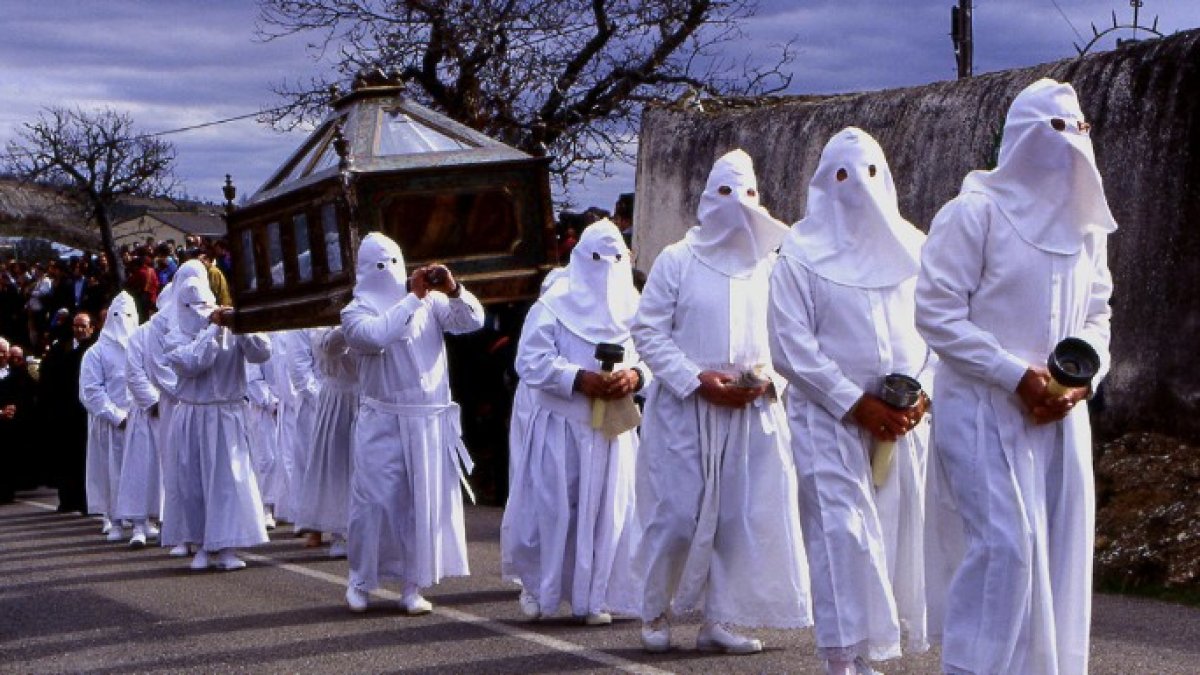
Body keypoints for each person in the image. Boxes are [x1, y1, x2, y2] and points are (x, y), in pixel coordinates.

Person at [915, 79, 1116, 675]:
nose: (1072, 142)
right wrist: (1010, 373)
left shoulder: (1087, 229)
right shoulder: (974, 212)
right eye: (1056, 129)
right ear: (1023, 137)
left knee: (1055, 555)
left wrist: (1085, 380)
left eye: (1080, 129)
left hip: (1059, 418)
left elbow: (1099, 314)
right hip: (982, 412)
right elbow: (936, 312)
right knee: (1006, 550)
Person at [632, 149, 811, 654]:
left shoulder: (772, 266)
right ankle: (655, 608)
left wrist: (769, 380)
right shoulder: (677, 260)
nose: (739, 205)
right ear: (709, 197)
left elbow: (791, 336)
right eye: (728, 193)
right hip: (688, 409)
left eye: (749, 194)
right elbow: (648, 330)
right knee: (676, 513)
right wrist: (694, 377)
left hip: (752, 412)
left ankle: (722, 618)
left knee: (739, 517)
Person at [768, 128, 934, 674]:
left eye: (867, 174)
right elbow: (791, 345)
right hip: (828, 418)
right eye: (843, 175)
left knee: (885, 536)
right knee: (841, 533)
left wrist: (921, 394)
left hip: (899, 421)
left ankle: (871, 652)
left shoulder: (914, 248)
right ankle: (840, 657)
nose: (856, 188)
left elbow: (938, 326)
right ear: (823, 183)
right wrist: (852, 401)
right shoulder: (799, 254)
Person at [501, 220, 647, 624]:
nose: (607, 269)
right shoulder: (554, 303)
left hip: (611, 429)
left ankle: (596, 596)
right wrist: (579, 379)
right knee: (552, 509)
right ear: (581, 258)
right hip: (562, 427)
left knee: (609, 511)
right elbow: (530, 360)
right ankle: (537, 587)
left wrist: (633, 377)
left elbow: (652, 355)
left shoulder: (633, 307)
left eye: (616, 259)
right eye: (599, 259)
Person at [340, 233, 484, 614]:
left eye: (393, 262)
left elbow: (472, 321)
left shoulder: (432, 304)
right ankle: (361, 578)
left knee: (420, 506)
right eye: (379, 264)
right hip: (382, 419)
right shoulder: (356, 311)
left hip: (427, 421)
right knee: (374, 503)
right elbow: (378, 335)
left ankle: (412, 584)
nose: (387, 271)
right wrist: (412, 297)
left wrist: (453, 289)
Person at [162, 277, 272, 571]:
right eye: (192, 305)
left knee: (227, 482)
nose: (200, 310)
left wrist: (240, 325)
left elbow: (262, 352)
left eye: (205, 304)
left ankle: (227, 546)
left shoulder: (230, 328)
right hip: (194, 414)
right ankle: (200, 545)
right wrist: (213, 327)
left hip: (227, 414)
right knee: (194, 484)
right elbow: (194, 362)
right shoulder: (175, 335)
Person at [294, 326, 359, 558]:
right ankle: (338, 531)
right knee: (336, 465)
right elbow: (328, 348)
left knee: (365, 465)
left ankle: (366, 530)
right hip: (337, 399)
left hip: (367, 396)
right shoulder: (323, 328)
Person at [80, 292, 138, 540]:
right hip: (109, 423)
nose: (122, 321)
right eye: (118, 315)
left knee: (138, 470)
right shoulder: (96, 353)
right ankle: (112, 518)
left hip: (138, 420)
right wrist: (116, 416)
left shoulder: (140, 347)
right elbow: (90, 391)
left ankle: (140, 519)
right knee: (110, 471)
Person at [116, 285, 169, 548]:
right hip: (146, 412)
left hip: (173, 411)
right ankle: (138, 524)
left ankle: (166, 522)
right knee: (141, 469)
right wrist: (154, 402)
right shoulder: (140, 336)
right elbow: (134, 374)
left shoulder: (182, 334)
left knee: (167, 472)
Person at [40, 311, 95, 513]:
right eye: (76, 325)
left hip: (85, 412)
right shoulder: (60, 349)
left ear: (91, 328)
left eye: (83, 326)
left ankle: (85, 500)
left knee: (83, 458)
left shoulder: (93, 350)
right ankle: (67, 499)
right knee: (66, 457)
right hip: (64, 412)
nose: (79, 329)